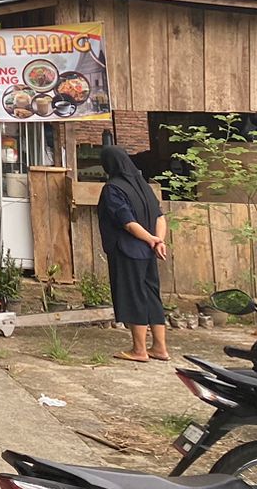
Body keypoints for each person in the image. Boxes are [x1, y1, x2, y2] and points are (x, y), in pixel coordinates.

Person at [98, 144, 170, 363]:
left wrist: (150, 239)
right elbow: (160, 217)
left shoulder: (113, 188)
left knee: (133, 296)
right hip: (149, 252)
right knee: (151, 296)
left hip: (128, 250)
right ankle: (160, 348)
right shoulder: (144, 187)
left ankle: (139, 350)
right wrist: (158, 241)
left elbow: (127, 222)